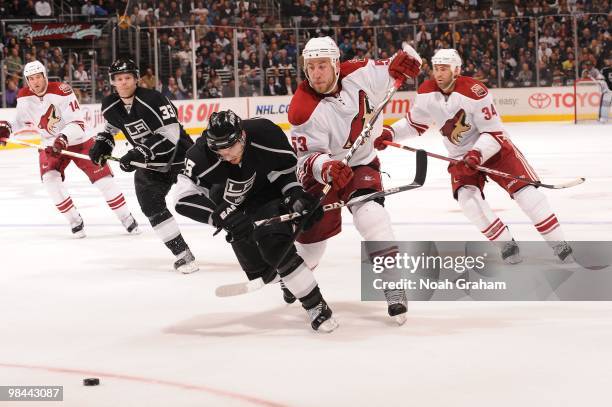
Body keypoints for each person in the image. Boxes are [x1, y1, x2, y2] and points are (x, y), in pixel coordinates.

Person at [378, 48, 573, 262]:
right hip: (461, 157)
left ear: (457, 70)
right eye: (436, 69)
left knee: (527, 194)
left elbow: (493, 131)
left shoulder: (475, 91)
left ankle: (559, 244)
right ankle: (506, 245)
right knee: (467, 199)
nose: (439, 74)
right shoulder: (426, 92)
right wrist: (390, 132)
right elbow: (415, 123)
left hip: (495, 149)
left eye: (444, 69)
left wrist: (477, 153)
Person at [287, 36, 421, 325]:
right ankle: (296, 273)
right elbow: (305, 159)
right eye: (311, 67)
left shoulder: (359, 71)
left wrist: (407, 60)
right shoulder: (302, 107)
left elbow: (395, 66)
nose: (316, 73)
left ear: (336, 64)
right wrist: (326, 167)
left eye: (322, 65)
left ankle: (393, 285)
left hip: (361, 163)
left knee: (372, 216)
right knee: (313, 242)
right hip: (325, 172)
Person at [172, 110, 338, 333]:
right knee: (262, 275)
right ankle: (288, 278)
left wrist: (295, 196)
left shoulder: (265, 133)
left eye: (230, 146)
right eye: (218, 148)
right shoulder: (199, 155)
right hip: (230, 208)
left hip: (265, 195)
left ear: (242, 136)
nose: (225, 153)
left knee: (276, 248)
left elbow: (285, 173)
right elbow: (183, 198)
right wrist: (221, 216)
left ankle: (316, 306)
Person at [0, 60, 139, 238]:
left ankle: (126, 218)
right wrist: (8, 127)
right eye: (31, 78)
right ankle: (75, 220)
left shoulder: (62, 90)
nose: (35, 82)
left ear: (45, 76)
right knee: (50, 181)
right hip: (50, 145)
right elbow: (21, 120)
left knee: (104, 181)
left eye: (38, 77)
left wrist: (63, 138)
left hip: (80, 140)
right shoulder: (23, 96)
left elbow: (77, 123)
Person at [88, 58, 198, 274]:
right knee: (150, 203)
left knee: (211, 196)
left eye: (128, 77)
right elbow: (111, 128)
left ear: (136, 79)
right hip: (152, 163)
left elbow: (171, 135)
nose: (124, 82)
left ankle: (246, 229)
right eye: (119, 79)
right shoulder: (110, 104)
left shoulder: (153, 99)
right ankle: (182, 254)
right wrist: (102, 144)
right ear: (113, 82)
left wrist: (139, 151)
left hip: (182, 157)